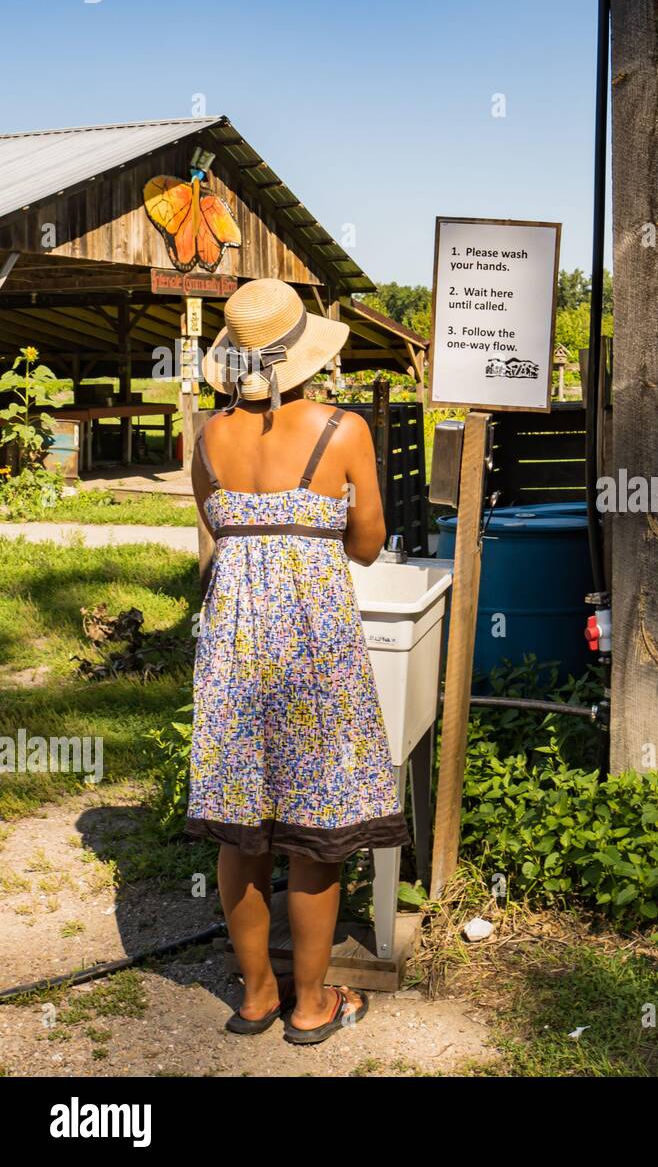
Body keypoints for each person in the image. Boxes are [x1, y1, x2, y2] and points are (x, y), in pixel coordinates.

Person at [186, 277, 401, 1045]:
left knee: (238, 829)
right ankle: (312, 1004)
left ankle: (255, 994)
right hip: (314, 643)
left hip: (233, 645)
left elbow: (217, 528)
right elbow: (370, 545)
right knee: (318, 824)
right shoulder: (342, 430)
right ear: (306, 353)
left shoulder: (207, 436)